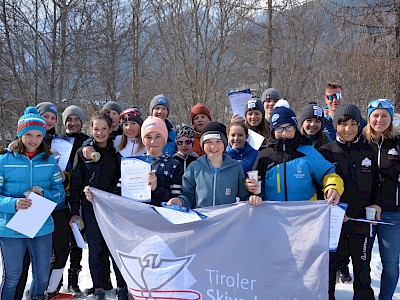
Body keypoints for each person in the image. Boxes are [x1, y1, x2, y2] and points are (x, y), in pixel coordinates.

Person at [0, 107, 65, 300]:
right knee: (12, 277)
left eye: (38, 135)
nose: (33, 140)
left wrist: (46, 194)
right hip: (11, 228)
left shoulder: (49, 161)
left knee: (42, 276)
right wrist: (13, 203)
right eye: (28, 134)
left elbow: (60, 192)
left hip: (42, 226)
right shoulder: (4, 160)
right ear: (20, 134)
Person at [319, 103, 381, 300]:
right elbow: (318, 186)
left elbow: (378, 184)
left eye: (354, 124)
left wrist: (376, 203)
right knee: (328, 274)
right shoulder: (325, 152)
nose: (348, 129)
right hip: (334, 225)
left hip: (360, 223)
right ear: (336, 125)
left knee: (362, 273)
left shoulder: (368, 151)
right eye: (343, 124)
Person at [69, 110, 128, 300]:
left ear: (111, 129)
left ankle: (122, 287)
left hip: (113, 209)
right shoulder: (82, 152)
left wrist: (114, 196)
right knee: (96, 249)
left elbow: (121, 179)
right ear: (91, 129)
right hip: (91, 208)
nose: (100, 133)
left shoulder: (116, 152)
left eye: (104, 129)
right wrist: (76, 209)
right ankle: (99, 288)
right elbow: (77, 182)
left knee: (114, 248)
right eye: (96, 129)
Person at [246, 105, 343, 203]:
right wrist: (252, 188)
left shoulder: (308, 152)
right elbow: (256, 182)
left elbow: (328, 173)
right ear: (273, 131)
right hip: (274, 214)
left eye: (288, 128)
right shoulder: (264, 155)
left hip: (305, 213)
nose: (284, 133)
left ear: (295, 128)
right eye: (279, 128)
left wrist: (332, 186)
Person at [167, 122, 255, 209]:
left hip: (226, 220)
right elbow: (188, 196)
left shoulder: (235, 167)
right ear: (202, 144)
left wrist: (253, 198)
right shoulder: (194, 167)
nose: (213, 146)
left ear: (224, 143)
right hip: (203, 220)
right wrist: (180, 201)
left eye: (218, 141)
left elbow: (244, 197)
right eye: (208, 142)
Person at [363, 99, 400, 300]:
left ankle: (385, 298)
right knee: (362, 260)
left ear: (391, 117)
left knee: (391, 263)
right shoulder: (361, 143)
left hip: (392, 212)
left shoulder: (397, 142)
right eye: (375, 115)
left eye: (384, 115)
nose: (379, 119)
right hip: (365, 211)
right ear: (369, 117)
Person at [61, 105, 89, 296]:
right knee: (60, 242)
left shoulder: (87, 141)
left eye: (76, 119)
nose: (73, 123)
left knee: (76, 240)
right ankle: (55, 282)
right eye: (69, 120)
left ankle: (74, 280)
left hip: (79, 195)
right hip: (61, 195)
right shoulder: (58, 141)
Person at [140, 116, 184, 206]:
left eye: (158, 136)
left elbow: (176, 200)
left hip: (161, 217)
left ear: (165, 139)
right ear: (142, 140)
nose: (153, 141)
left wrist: (156, 188)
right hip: (134, 217)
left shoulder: (174, 165)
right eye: (148, 137)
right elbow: (119, 194)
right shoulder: (133, 163)